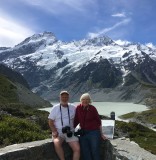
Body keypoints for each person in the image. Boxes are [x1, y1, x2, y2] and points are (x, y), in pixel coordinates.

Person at [48, 91, 80, 160]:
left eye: (66, 97)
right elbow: (50, 121)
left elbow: (78, 118)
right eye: (63, 97)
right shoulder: (55, 108)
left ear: (68, 98)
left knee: (77, 149)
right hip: (59, 132)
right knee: (56, 143)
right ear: (60, 97)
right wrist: (54, 131)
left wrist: (74, 128)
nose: (64, 98)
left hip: (70, 132)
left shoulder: (73, 107)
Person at [74, 93, 106, 160]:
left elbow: (98, 121)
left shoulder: (93, 108)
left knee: (95, 151)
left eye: (87, 99)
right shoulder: (78, 108)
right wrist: (71, 129)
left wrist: (101, 134)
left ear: (89, 101)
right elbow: (76, 120)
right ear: (81, 100)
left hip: (94, 132)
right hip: (83, 133)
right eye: (83, 99)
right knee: (85, 152)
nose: (85, 101)